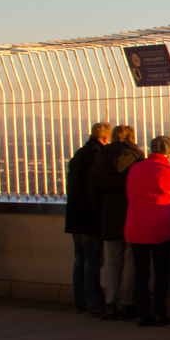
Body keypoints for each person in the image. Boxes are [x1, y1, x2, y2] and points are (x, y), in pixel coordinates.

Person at [123, 135, 170, 327]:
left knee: (140, 272)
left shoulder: (135, 169)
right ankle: (159, 312)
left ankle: (143, 314)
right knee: (161, 271)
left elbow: (130, 194)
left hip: (135, 226)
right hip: (160, 227)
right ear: (168, 153)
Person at [89, 125, 143, 320]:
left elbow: (93, 192)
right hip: (132, 213)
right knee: (131, 261)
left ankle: (110, 304)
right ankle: (129, 303)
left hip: (109, 215)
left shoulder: (100, 159)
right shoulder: (136, 158)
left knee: (112, 261)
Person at [65, 123, 112, 314]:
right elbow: (95, 190)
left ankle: (81, 302)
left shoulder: (79, 155)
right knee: (93, 262)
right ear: (106, 138)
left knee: (80, 261)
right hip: (90, 219)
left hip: (75, 218)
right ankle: (94, 303)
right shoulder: (96, 157)